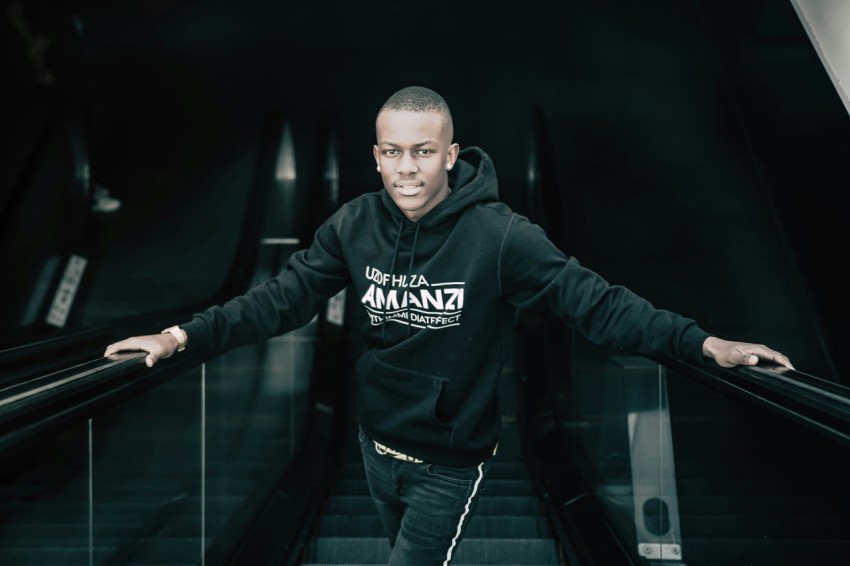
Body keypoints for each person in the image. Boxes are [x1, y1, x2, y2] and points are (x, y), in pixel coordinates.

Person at [104, 85, 794, 565]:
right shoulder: (352, 224)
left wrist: (704, 343)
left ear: (452, 153)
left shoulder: (500, 240)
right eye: (393, 152)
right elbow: (279, 299)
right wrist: (179, 337)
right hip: (375, 447)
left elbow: (597, 302)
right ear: (376, 155)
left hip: (449, 464)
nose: (408, 169)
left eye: (424, 152)